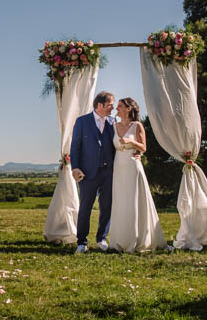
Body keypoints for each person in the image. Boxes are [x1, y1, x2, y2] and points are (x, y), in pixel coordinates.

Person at [108, 98, 167, 252]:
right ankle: (119, 241)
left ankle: (137, 239)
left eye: (120, 106)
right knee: (121, 201)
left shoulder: (137, 126)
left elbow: (144, 147)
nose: (116, 108)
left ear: (128, 109)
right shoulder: (113, 126)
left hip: (133, 166)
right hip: (118, 167)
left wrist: (132, 143)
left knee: (133, 200)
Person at [70, 91, 116, 254]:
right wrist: (74, 167)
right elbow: (75, 146)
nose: (113, 107)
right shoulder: (82, 121)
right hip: (87, 173)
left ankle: (101, 238)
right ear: (100, 105)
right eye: (110, 104)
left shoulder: (113, 121)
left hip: (109, 172)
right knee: (85, 207)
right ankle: (81, 242)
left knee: (107, 206)